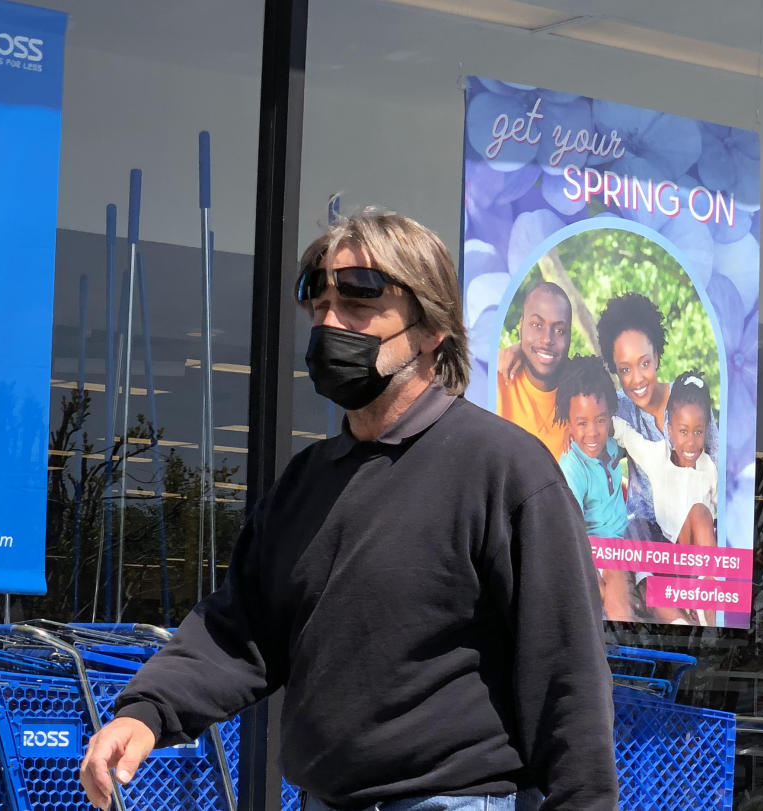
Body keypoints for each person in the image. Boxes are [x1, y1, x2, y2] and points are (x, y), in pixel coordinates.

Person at [79, 209, 617, 811]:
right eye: (320, 301)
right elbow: (240, 630)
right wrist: (148, 712)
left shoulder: (504, 469)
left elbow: (565, 673)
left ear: (431, 327)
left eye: (361, 300)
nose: (331, 322)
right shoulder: (305, 485)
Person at [596, 293, 718, 545]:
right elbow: (581, 411)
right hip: (648, 539)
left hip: (696, 533)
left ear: (657, 357)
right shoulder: (619, 408)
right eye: (625, 370)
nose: (637, 379)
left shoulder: (689, 400)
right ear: (615, 369)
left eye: (644, 363)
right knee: (634, 528)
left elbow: (720, 473)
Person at [611, 370, 717, 624]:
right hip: (667, 558)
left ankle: (708, 600)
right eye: (683, 431)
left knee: (700, 512)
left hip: (696, 562)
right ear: (669, 429)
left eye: (698, 432)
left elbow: (721, 514)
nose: (691, 442)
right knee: (636, 526)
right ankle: (680, 622)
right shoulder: (657, 456)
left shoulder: (710, 469)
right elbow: (625, 433)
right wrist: (592, 422)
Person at [552, 355, 632, 622]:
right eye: (582, 423)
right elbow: (568, 529)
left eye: (600, 420)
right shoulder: (573, 467)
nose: (592, 433)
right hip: (598, 554)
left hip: (625, 543)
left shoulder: (611, 445)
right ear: (569, 422)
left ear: (610, 415)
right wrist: (593, 577)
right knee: (616, 581)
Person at [496, 282, 572, 461]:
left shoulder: (584, 394)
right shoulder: (495, 379)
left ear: (569, 337)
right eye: (537, 325)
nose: (547, 339)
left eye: (560, 330)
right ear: (521, 326)